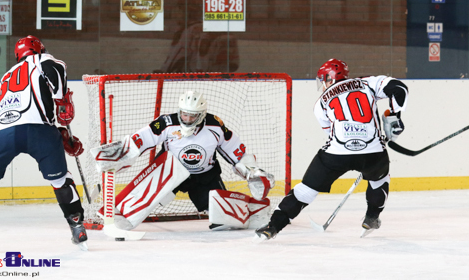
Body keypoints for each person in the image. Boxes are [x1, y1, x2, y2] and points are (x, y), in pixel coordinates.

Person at [0, 35, 88, 252]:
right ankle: (77, 226)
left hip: (1, 134)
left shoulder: (6, 76)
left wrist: (58, 129)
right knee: (61, 180)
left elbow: (18, 110)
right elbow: (57, 69)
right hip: (39, 132)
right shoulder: (43, 60)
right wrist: (62, 108)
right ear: (39, 49)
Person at [255, 58, 409, 240]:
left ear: (330, 77)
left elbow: (332, 132)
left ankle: (272, 227)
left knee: (305, 190)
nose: (322, 84)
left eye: (323, 79)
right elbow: (399, 88)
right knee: (379, 180)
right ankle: (372, 218)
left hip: (336, 154)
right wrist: (394, 116)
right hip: (372, 152)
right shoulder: (367, 83)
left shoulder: (320, 103)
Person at [92, 91, 274, 230]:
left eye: (192, 116)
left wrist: (252, 172)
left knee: (222, 220)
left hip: (205, 176)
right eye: (184, 114)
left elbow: (236, 153)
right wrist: (119, 153)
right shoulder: (166, 123)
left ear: (202, 114)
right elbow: (141, 140)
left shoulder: (215, 126)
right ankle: (117, 213)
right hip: (171, 172)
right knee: (143, 198)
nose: (187, 119)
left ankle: (258, 210)